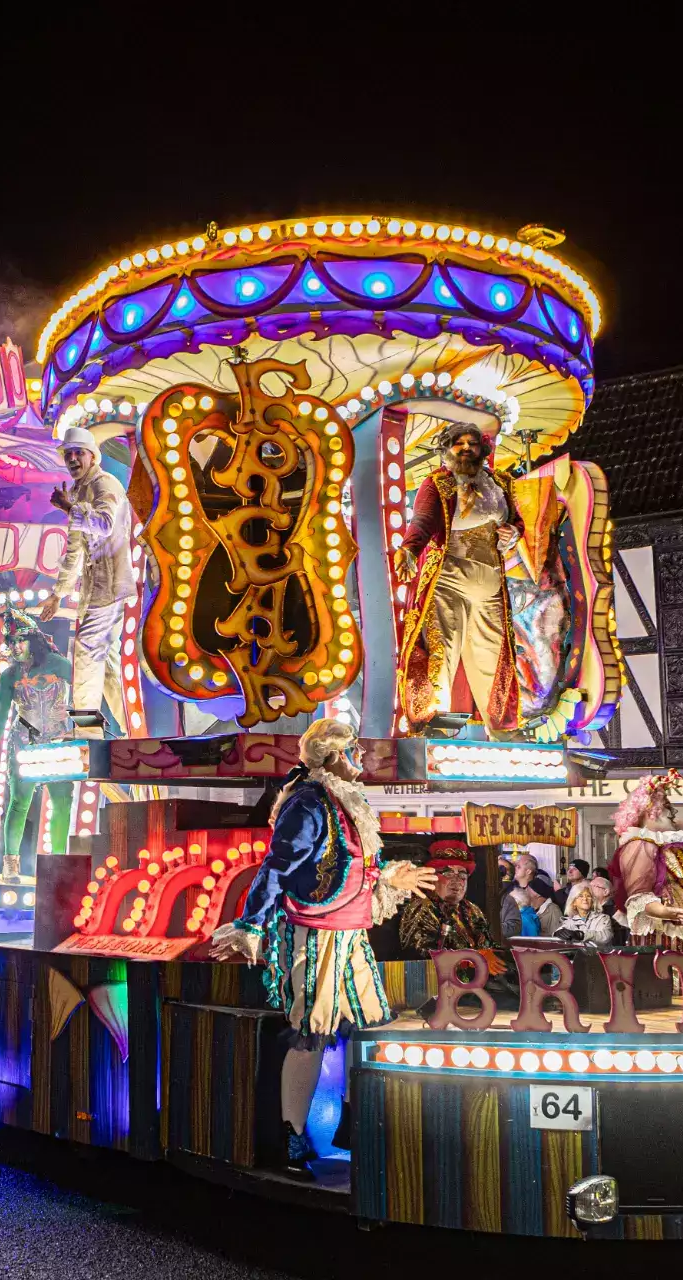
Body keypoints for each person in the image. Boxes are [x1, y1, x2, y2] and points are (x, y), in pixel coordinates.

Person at [211, 719, 432, 1174]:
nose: (361, 759)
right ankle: (290, 1137)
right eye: (353, 751)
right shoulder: (310, 802)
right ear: (332, 757)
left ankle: (354, 1123)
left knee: (369, 1025)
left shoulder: (344, 800)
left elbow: (355, 864)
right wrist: (251, 924)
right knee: (310, 1033)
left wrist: (390, 875)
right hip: (314, 935)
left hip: (351, 933)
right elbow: (277, 867)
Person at [393, 420, 523, 734]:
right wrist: (409, 550)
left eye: (472, 444)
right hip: (448, 578)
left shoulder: (500, 483)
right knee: (442, 650)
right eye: (458, 443)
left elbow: (517, 520)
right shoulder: (438, 482)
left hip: (490, 581)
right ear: (448, 449)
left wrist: (514, 531)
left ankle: (502, 727)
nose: (465, 449)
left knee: (492, 653)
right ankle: (434, 724)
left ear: (483, 449)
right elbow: (422, 521)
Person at [37, 426, 135, 737]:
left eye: (78, 452)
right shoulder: (81, 491)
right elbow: (75, 548)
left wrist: (69, 507)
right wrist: (58, 593)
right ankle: (134, 730)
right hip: (101, 586)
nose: (73, 459)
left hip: (109, 586)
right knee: (106, 667)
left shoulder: (104, 484)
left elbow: (104, 525)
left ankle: (87, 733)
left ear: (93, 456)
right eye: (68, 454)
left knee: (86, 652)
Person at [0, 619, 76, 879]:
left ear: (33, 640)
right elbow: (1, 714)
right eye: (11, 642)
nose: (15, 647)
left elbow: (83, 694)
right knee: (19, 803)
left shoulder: (59, 664)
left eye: (20, 640)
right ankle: (10, 865)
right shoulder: (9, 675)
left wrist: (83, 730)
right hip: (24, 741)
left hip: (59, 741)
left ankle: (58, 864)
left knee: (62, 802)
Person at [606, 769, 683, 953]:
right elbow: (638, 894)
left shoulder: (674, 844)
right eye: (666, 805)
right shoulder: (641, 843)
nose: (672, 810)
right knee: (672, 979)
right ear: (650, 810)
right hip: (668, 937)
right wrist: (662, 911)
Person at [398, 846, 495, 957]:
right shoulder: (421, 907)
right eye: (448, 874)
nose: (457, 880)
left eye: (462, 875)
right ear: (432, 878)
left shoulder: (472, 909)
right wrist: (475, 959)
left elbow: (489, 945)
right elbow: (425, 955)